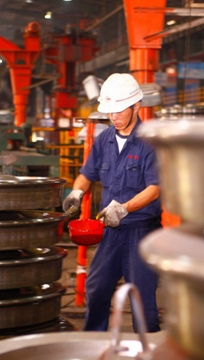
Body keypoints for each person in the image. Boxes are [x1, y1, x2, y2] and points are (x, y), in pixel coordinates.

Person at [62, 73, 162, 333]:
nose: (113, 117)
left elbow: (154, 189)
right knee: (96, 288)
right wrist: (76, 192)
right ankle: (93, 344)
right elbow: (87, 174)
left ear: (136, 106)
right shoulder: (104, 140)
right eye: (110, 112)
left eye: (119, 111)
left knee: (141, 298)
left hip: (141, 231)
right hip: (110, 231)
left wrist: (125, 208)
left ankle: (148, 347)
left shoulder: (151, 142)